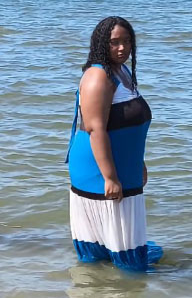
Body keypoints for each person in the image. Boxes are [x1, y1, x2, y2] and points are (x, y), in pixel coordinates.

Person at [66, 16, 162, 271]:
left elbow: (126, 126)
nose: (122, 48)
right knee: (125, 261)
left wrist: (138, 162)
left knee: (118, 254)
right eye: (114, 43)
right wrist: (110, 177)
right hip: (100, 170)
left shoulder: (122, 71)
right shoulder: (99, 77)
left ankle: (108, 294)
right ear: (101, 44)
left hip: (122, 167)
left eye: (127, 41)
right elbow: (95, 129)